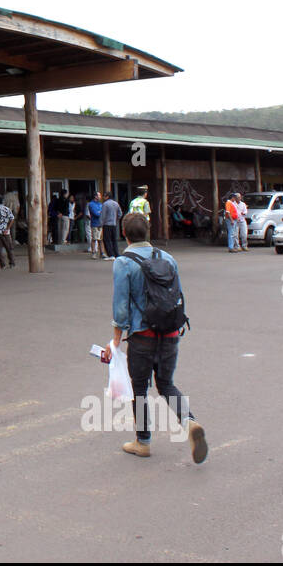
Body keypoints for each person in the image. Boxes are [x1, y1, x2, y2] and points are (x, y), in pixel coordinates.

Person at [105, 212, 207, 463]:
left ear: (124, 234)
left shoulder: (123, 262)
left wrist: (116, 339)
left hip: (142, 336)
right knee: (166, 384)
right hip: (170, 332)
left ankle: (143, 442)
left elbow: (121, 306)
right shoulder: (168, 258)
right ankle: (189, 422)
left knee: (139, 389)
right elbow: (178, 295)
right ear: (148, 232)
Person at [0, 193, 16, 268]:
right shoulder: (7, 209)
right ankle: (12, 263)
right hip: (6, 232)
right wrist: (8, 228)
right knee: (9, 248)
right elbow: (12, 219)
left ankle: (2, 264)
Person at [99, 192, 122, 260]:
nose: (103, 197)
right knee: (114, 240)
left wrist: (101, 223)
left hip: (106, 224)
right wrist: (116, 219)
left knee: (107, 239)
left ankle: (110, 255)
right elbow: (120, 214)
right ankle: (116, 254)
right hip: (114, 224)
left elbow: (103, 215)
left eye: (104, 196)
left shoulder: (105, 204)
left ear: (107, 196)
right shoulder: (116, 203)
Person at [87, 191, 104, 259]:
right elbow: (96, 213)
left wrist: (100, 212)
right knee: (94, 239)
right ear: (95, 196)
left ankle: (102, 253)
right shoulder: (91, 204)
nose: (100, 197)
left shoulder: (100, 204)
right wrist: (100, 212)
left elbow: (102, 213)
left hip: (100, 223)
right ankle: (93, 253)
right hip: (94, 223)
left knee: (101, 239)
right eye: (99, 195)